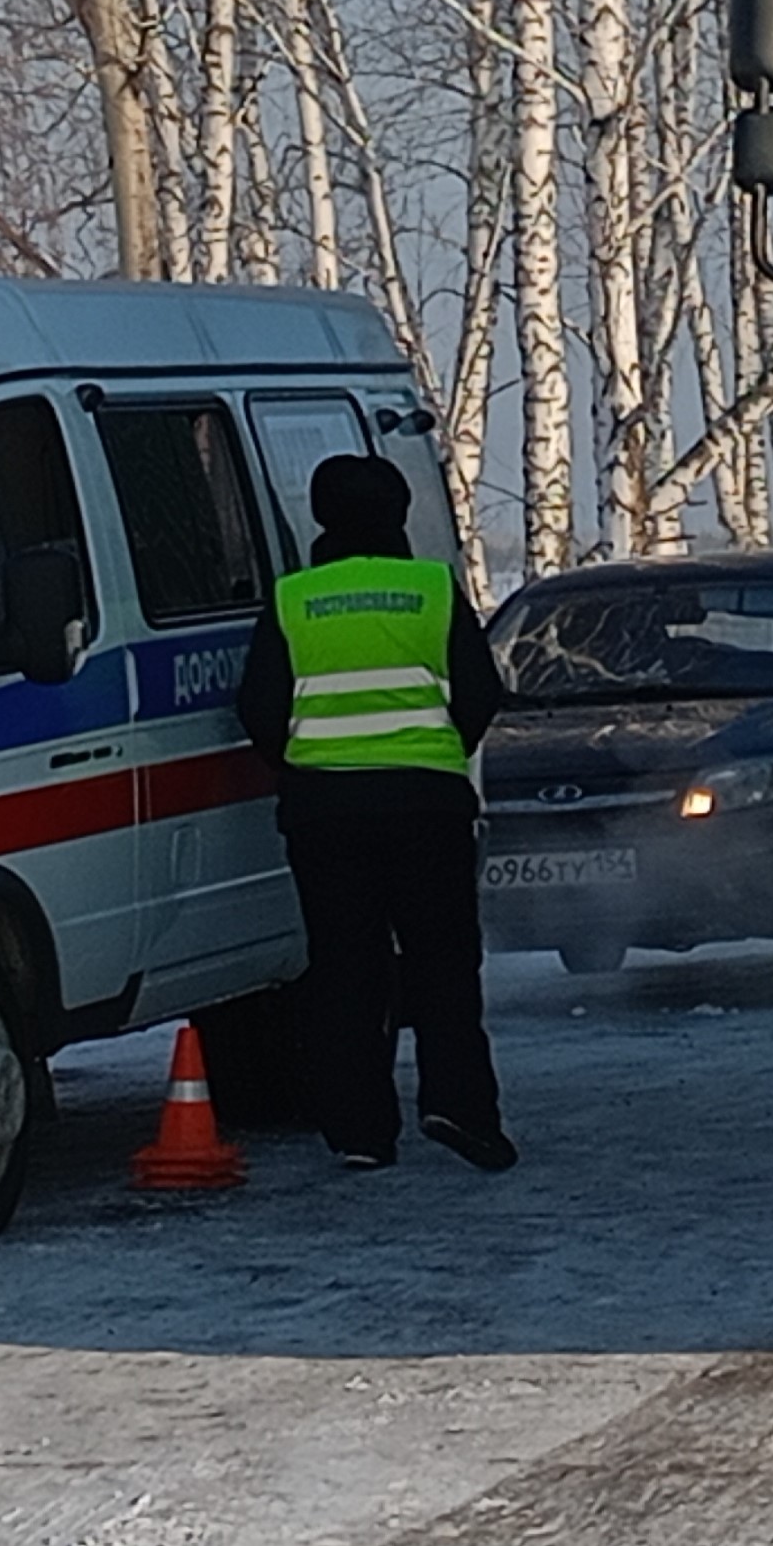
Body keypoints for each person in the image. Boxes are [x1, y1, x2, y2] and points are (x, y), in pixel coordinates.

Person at [236, 454, 516, 1172]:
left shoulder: (295, 597)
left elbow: (260, 709)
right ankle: (460, 1107)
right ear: (396, 515)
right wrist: (438, 748)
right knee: (444, 964)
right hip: (427, 806)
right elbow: (482, 692)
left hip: (325, 813)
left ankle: (359, 1130)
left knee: (345, 969)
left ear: (322, 516)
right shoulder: (430, 589)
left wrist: (307, 763)